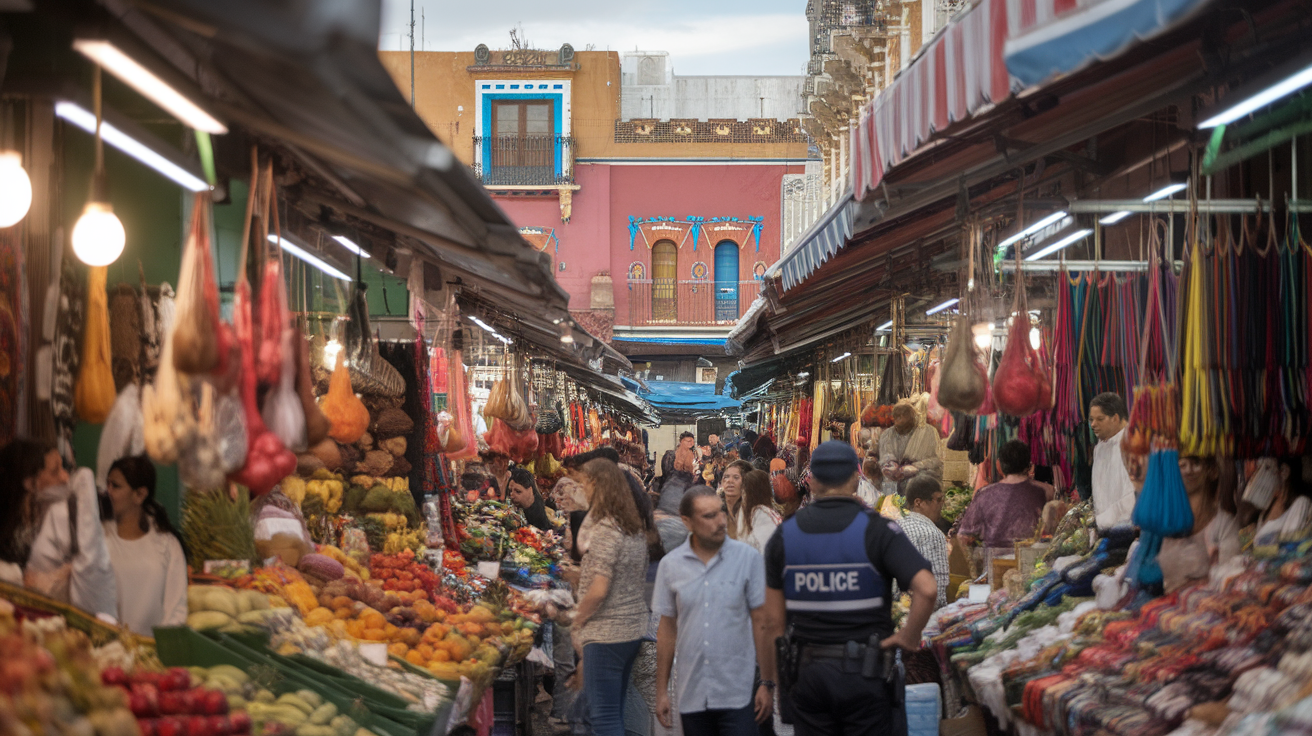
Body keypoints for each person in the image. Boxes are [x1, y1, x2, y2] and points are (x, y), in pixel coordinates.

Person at [763, 441, 937, 735]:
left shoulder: (784, 535)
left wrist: (774, 682)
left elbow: (772, 622)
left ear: (811, 481)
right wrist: (909, 636)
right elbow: (927, 589)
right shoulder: (879, 530)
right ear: (857, 479)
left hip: (808, 676)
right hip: (865, 677)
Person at [654, 486, 775, 735]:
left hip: (738, 693)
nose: (720, 521)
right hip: (693, 693)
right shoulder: (670, 566)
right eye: (708, 516)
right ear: (686, 521)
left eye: (720, 512)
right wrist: (661, 691)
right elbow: (667, 631)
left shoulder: (747, 559)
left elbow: (762, 623)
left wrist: (766, 683)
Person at [572, 458, 651, 736]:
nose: (583, 490)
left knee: (604, 717)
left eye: (584, 484)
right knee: (615, 709)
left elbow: (600, 588)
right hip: (632, 629)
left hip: (607, 632)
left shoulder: (606, 528)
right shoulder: (632, 527)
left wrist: (576, 620)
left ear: (596, 486)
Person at [0, 438, 117, 618]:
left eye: (64, 468)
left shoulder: (56, 515)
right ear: (30, 483)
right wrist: (24, 579)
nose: (65, 477)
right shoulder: (9, 524)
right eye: (55, 471)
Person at [101, 455, 188, 636]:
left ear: (139, 494)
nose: (107, 491)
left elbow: (177, 610)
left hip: (151, 656)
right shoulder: (97, 538)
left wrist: (157, 651)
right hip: (105, 651)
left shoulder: (167, 546)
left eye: (115, 486)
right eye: (107, 484)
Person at [1159, 455, 1242, 592]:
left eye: (1196, 463)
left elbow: (1230, 578)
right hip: (1166, 607)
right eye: (1182, 465)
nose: (1188, 470)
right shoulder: (1165, 521)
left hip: (1206, 605)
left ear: (1212, 471)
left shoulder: (1224, 522)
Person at [957, 440, 1051, 551]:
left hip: (994, 563)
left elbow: (963, 537)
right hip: (1033, 563)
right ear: (1030, 466)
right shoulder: (1046, 491)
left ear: (998, 466)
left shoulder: (984, 494)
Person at [895, 477, 949, 610]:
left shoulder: (894, 528)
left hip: (894, 611)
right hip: (921, 617)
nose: (942, 504)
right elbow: (937, 591)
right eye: (938, 499)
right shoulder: (933, 534)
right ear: (918, 502)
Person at [1089, 392, 1137, 530]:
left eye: (1100, 419)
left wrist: (1102, 520)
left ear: (1115, 418)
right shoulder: (1099, 448)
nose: (1093, 424)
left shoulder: (1133, 445)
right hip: (1105, 529)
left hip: (1130, 530)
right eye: (1091, 419)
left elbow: (1134, 495)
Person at [878, 404, 942, 493]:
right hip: (894, 486)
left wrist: (916, 467)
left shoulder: (929, 432)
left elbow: (937, 460)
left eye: (903, 417)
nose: (899, 421)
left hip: (923, 485)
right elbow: (886, 456)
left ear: (913, 418)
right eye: (897, 417)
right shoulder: (887, 434)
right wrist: (890, 465)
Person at [1253, 456, 1312, 547]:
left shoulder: (1301, 503)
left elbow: (1289, 544)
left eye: (1266, 468)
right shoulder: (1269, 505)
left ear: (1285, 472)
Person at [736, 470, 781, 556]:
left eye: (745, 490)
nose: (742, 494)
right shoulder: (748, 511)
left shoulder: (764, 515)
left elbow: (766, 552)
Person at [720, 460, 754, 539]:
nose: (729, 481)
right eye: (726, 477)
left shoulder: (755, 513)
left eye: (736, 477)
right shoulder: (717, 510)